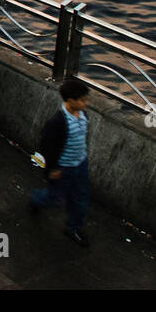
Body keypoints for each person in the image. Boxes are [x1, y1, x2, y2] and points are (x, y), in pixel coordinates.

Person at [29, 78, 92, 247]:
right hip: (63, 169)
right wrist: (51, 169)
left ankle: (73, 228)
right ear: (71, 101)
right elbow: (46, 148)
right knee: (55, 198)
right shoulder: (57, 123)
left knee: (80, 199)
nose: (86, 103)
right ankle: (36, 199)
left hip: (80, 164)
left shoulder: (83, 115)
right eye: (83, 100)